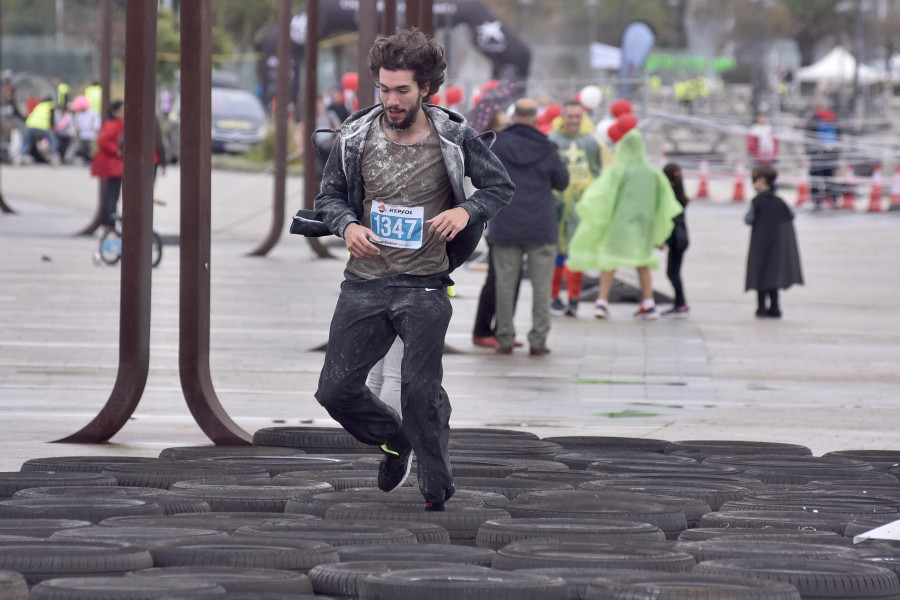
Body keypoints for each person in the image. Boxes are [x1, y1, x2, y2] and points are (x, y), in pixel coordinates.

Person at [312, 28, 514, 512]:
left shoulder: (455, 135)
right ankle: (395, 440)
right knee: (335, 391)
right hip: (365, 281)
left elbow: (499, 187)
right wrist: (345, 226)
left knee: (420, 390)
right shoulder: (356, 135)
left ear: (426, 88)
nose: (391, 100)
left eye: (402, 90)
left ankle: (436, 483)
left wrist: (466, 211)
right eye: (383, 89)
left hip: (423, 284)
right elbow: (329, 197)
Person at [567, 128, 683, 320]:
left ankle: (602, 302)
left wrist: (599, 217)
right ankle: (648, 303)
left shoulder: (619, 171)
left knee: (609, 262)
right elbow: (664, 202)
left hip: (619, 226)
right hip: (643, 227)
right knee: (643, 262)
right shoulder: (653, 172)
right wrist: (658, 230)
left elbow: (605, 196)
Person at [488, 98, 569, 355]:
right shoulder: (547, 147)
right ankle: (538, 340)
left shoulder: (497, 145)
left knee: (504, 286)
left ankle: (505, 338)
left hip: (506, 223)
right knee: (542, 288)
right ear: (535, 117)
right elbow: (562, 182)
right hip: (540, 226)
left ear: (513, 116)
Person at [471, 109, 521, 349]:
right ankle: (482, 329)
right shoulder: (490, 150)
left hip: (509, 221)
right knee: (495, 279)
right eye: (500, 127)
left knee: (505, 278)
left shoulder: (507, 149)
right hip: (499, 222)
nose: (506, 131)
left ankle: (501, 328)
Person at [547, 100, 602, 317]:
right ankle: (553, 297)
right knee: (555, 251)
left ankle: (574, 298)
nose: (574, 121)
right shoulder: (552, 140)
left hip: (581, 206)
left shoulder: (591, 142)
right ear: (563, 116)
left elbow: (596, 172)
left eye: (577, 116)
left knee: (576, 251)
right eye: (570, 116)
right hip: (557, 205)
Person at [744, 164, 803, 319]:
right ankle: (775, 307)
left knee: (760, 273)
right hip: (777, 245)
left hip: (759, 244)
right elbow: (791, 216)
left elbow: (748, 219)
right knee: (773, 275)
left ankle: (761, 307)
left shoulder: (757, 201)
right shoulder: (779, 202)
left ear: (763, 180)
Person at [91, 100, 125, 232]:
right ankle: (109, 222)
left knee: (112, 194)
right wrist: (116, 150)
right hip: (112, 165)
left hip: (114, 164)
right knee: (112, 195)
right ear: (115, 112)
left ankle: (109, 222)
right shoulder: (112, 125)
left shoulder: (116, 124)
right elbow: (103, 140)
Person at [662, 163, 690, 317]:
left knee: (672, 272)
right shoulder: (680, 193)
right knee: (674, 272)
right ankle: (679, 302)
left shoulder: (670, 195)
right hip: (682, 237)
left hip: (676, 239)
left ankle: (681, 303)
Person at [804, 99, 840, 209]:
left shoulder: (814, 119)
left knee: (815, 177)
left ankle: (816, 199)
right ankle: (833, 199)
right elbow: (839, 136)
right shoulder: (832, 118)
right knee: (829, 177)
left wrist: (809, 152)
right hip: (831, 153)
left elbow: (808, 136)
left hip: (817, 153)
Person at [15, 96, 59, 166]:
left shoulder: (39, 106)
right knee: (52, 140)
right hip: (43, 127)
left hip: (30, 125)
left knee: (27, 143)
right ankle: (54, 158)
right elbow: (52, 120)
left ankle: (19, 158)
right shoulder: (50, 106)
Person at [72, 95, 100, 164]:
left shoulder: (92, 113)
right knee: (83, 147)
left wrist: (95, 126)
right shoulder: (78, 114)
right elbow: (76, 124)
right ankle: (86, 159)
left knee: (90, 148)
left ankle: (90, 159)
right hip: (83, 133)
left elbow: (97, 121)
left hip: (91, 133)